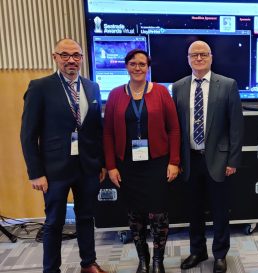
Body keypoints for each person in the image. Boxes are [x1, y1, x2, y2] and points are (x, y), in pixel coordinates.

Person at [20, 38, 107, 273]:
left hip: (87, 166)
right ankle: (51, 269)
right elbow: (28, 134)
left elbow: (96, 130)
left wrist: (101, 163)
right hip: (54, 170)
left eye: (76, 55)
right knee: (54, 223)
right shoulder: (39, 87)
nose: (71, 60)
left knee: (87, 218)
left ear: (81, 58)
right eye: (65, 55)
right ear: (55, 57)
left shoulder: (92, 87)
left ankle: (88, 263)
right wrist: (35, 172)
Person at [103, 49, 180, 273]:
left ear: (148, 67)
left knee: (158, 214)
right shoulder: (116, 94)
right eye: (133, 64)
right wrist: (111, 166)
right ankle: (143, 259)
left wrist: (174, 161)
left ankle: (158, 260)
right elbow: (107, 133)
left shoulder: (161, 92)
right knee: (135, 215)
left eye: (142, 64)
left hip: (157, 163)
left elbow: (174, 129)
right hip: (127, 164)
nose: (138, 68)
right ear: (126, 66)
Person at [172, 41, 244, 273]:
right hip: (190, 160)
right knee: (193, 210)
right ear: (188, 59)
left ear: (211, 57)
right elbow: (175, 128)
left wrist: (233, 160)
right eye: (194, 55)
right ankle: (197, 251)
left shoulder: (228, 85)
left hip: (219, 160)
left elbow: (236, 126)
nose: (199, 58)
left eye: (203, 54)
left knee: (220, 210)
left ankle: (220, 254)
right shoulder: (178, 86)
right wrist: (176, 159)